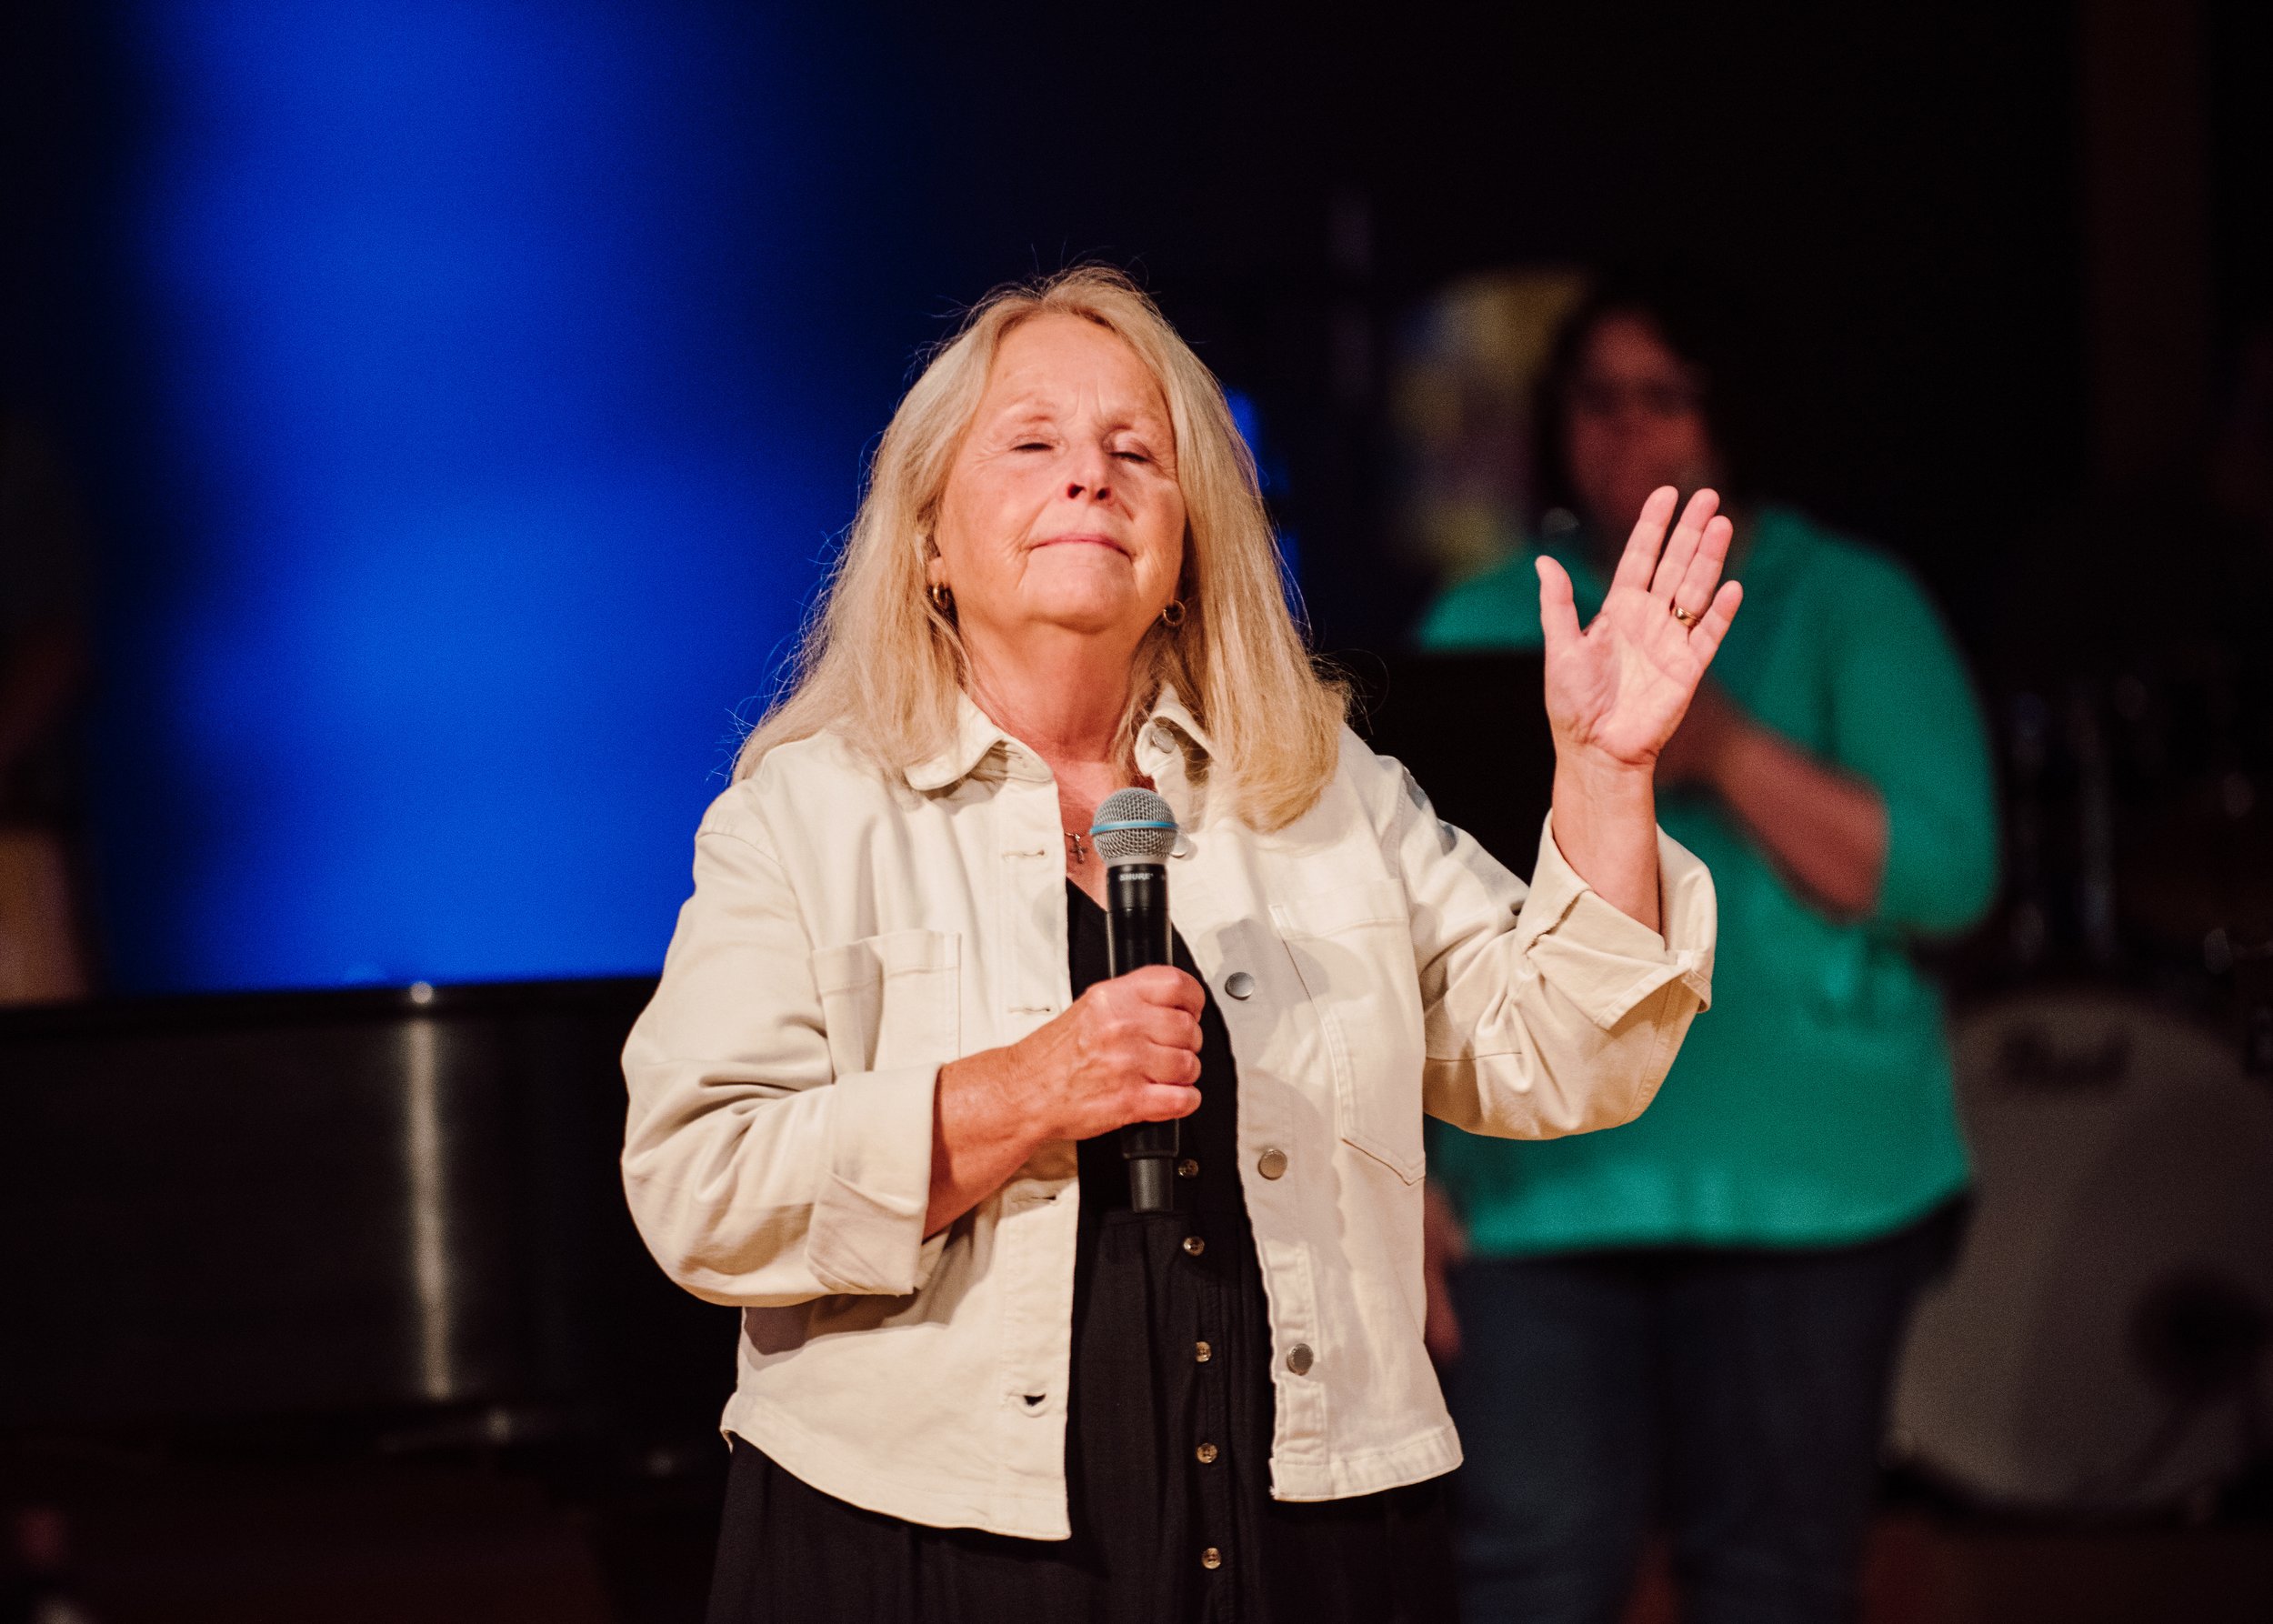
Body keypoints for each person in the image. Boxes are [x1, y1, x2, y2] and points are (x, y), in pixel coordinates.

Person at [622, 266, 1740, 1623]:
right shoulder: (807, 811)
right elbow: (699, 1183)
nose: (1088, 477)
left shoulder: (1314, 788)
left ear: (1190, 540)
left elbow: (1560, 1054)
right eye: (1032, 443)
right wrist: (1026, 1088)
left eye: (1135, 451)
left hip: (1300, 1538)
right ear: (927, 538)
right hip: (928, 1547)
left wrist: (1609, 773)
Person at [1417, 268, 1997, 1624]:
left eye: (1662, 399)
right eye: (1599, 401)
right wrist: (1403, 1165)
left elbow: (1947, 873)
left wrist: (1719, 745)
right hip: (1539, 1193)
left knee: (1777, 1583)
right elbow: (1413, 923)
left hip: (1803, 1187)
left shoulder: (1842, 598)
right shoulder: (1498, 615)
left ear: (1727, 417)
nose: (1627, 432)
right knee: (1530, 1573)